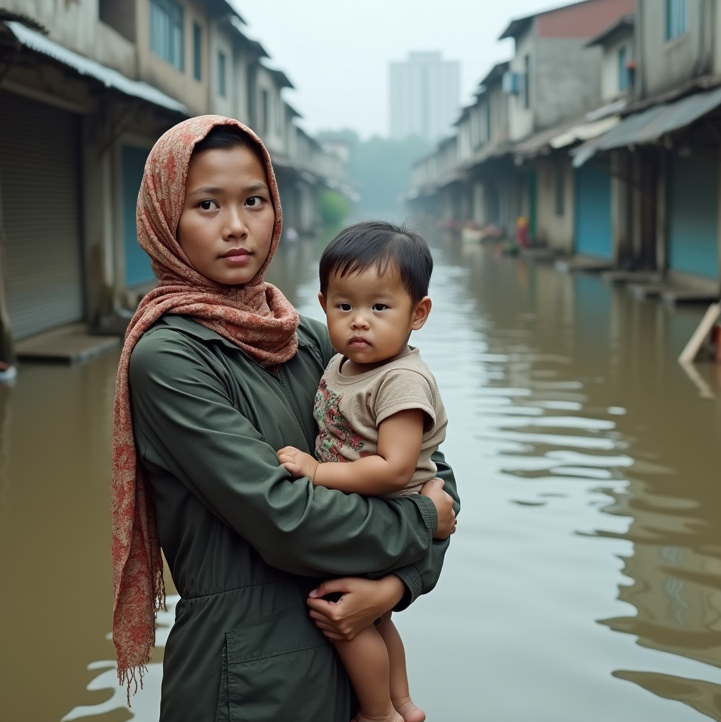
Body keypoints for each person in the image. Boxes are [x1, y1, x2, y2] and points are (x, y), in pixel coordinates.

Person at [110, 115, 459, 722]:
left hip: (345, 654)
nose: (237, 226)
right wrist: (423, 521)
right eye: (206, 205)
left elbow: (432, 468)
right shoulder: (168, 358)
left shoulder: (312, 340)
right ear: (166, 218)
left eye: (254, 200)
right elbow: (286, 518)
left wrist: (393, 588)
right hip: (245, 676)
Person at [277, 221, 448, 722]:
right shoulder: (342, 363)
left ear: (418, 313)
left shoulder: (400, 380)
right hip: (370, 509)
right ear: (323, 302)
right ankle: (402, 703)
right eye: (344, 306)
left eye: (380, 307)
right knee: (374, 621)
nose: (359, 322)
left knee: (348, 628)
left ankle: (376, 713)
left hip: (384, 511)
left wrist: (315, 471)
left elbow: (396, 469)